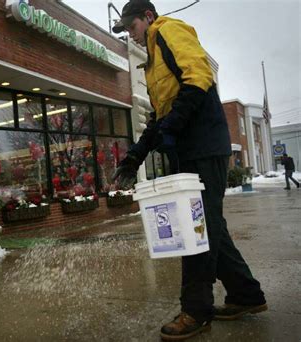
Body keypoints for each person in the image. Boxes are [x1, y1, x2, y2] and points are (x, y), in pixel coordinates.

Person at [112, 1, 267, 340]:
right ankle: (246, 294)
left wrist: (174, 126)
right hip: (190, 150)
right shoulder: (152, 63)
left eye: (132, 27)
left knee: (199, 229)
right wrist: (134, 158)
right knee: (211, 225)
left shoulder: (169, 30)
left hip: (203, 146)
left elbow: (198, 78)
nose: (131, 36)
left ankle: (196, 311)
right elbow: (160, 117)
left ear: (147, 18)